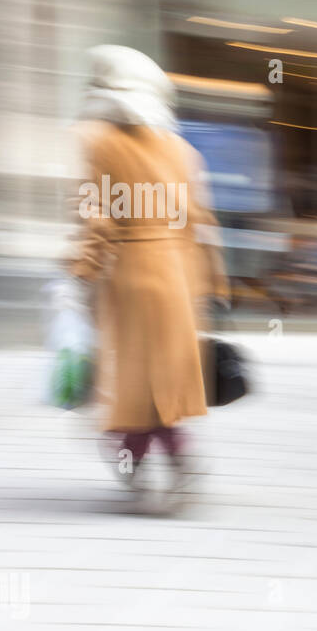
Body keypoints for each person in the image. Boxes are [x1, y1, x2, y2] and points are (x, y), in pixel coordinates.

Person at [69, 45, 229, 505]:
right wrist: (214, 285)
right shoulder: (180, 149)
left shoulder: (96, 141)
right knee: (164, 380)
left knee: (128, 382)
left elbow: (94, 218)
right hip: (179, 275)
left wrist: (80, 272)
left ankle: (137, 466)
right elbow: (203, 220)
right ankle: (177, 461)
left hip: (128, 275)